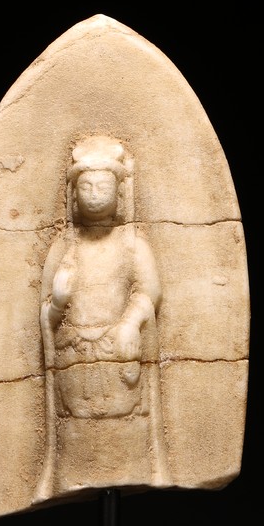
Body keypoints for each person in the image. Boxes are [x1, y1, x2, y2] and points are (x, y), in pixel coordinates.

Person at [34, 136, 169, 504]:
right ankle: (73, 477)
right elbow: (47, 312)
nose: (94, 195)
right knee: (78, 433)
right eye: (86, 186)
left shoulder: (132, 246)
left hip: (117, 357)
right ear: (74, 194)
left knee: (123, 432)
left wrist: (130, 322)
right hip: (76, 360)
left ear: (119, 192)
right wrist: (57, 302)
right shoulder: (64, 248)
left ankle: (132, 471)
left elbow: (149, 293)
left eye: (102, 186)